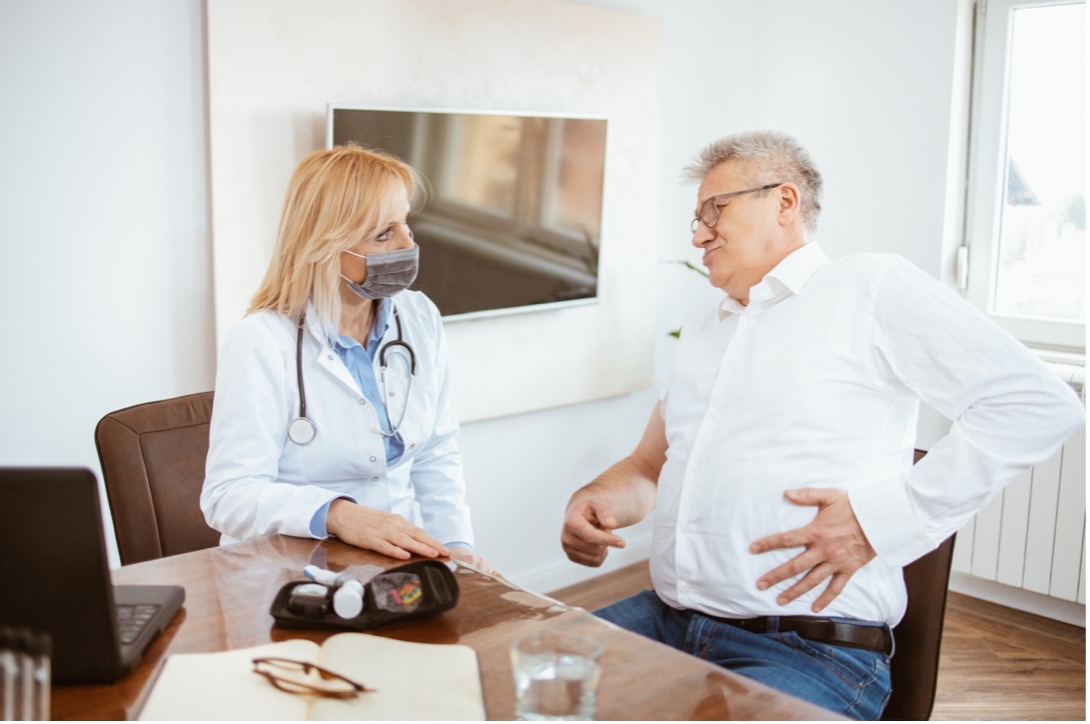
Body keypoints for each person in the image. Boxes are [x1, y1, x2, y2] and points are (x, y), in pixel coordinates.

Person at [560, 130, 1084, 719]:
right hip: (666, 619)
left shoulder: (867, 287)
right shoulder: (705, 332)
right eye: (695, 218)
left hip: (806, 648)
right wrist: (597, 500)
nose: (699, 233)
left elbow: (1038, 403)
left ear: (785, 202)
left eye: (715, 210)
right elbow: (648, 466)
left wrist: (880, 521)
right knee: (506, 679)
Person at [202, 144, 483, 568]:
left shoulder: (418, 315)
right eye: (384, 233)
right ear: (323, 245)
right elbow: (229, 496)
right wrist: (338, 514)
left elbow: (436, 449)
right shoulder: (261, 341)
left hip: (396, 561)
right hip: (288, 569)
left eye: (406, 224)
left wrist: (456, 549)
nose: (408, 244)